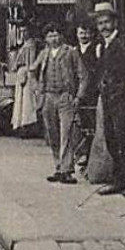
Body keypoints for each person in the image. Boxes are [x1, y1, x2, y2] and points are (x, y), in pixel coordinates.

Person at [93, 2, 125, 196]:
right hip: (108, 98)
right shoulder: (102, 46)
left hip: (123, 99)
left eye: (107, 22)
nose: (104, 27)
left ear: (114, 22)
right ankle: (118, 180)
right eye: (100, 24)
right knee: (111, 138)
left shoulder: (124, 44)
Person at [33, 25, 85, 184]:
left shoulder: (70, 52)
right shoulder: (44, 53)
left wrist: (78, 96)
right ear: (46, 39)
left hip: (65, 96)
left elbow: (83, 76)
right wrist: (38, 90)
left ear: (61, 36)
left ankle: (67, 170)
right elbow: (33, 69)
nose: (53, 39)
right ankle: (58, 166)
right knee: (52, 133)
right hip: (48, 96)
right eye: (50, 36)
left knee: (66, 133)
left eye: (56, 35)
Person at [71, 22, 101, 178]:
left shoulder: (96, 48)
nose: (84, 36)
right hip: (79, 92)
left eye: (87, 33)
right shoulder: (74, 51)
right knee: (81, 127)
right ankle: (82, 157)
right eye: (81, 33)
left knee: (93, 128)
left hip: (93, 93)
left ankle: (91, 161)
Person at [9, 24, 42, 134]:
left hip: (26, 74)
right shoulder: (25, 44)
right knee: (21, 100)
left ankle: (26, 124)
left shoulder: (30, 45)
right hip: (22, 73)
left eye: (25, 31)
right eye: (22, 31)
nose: (23, 34)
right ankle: (21, 123)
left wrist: (29, 74)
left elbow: (30, 62)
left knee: (27, 101)